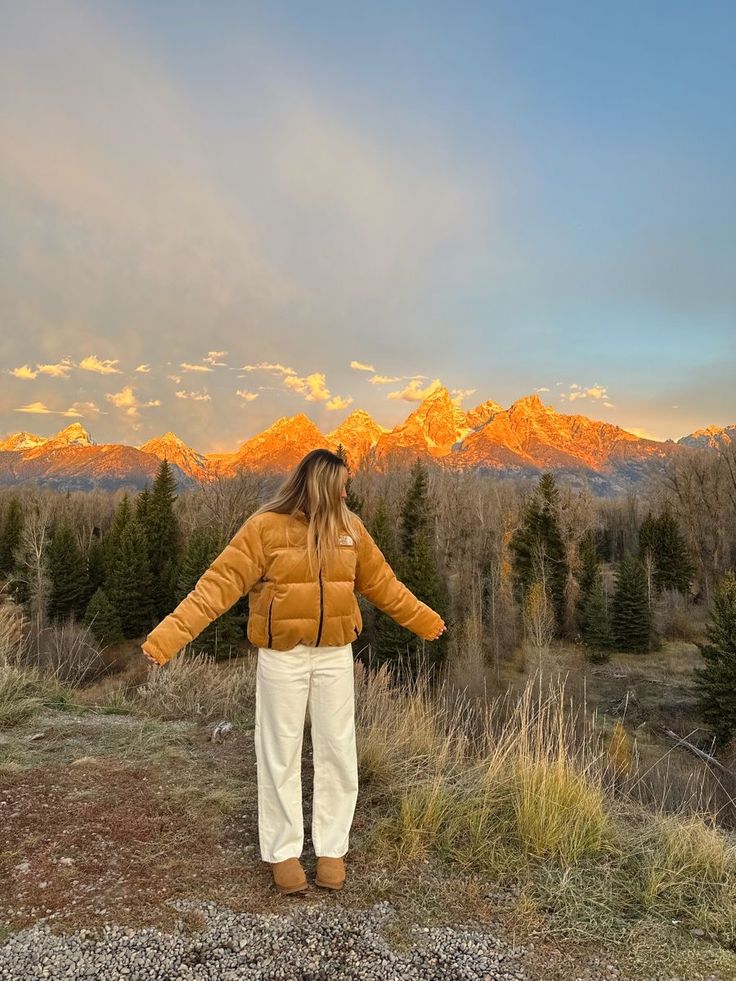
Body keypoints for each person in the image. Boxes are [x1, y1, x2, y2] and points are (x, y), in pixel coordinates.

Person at [141, 448, 446, 895]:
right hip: (282, 657)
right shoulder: (265, 528)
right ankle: (283, 852)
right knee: (279, 753)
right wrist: (165, 640)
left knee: (338, 752)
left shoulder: (351, 529)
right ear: (322, 484)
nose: (347, 490)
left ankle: (331, 849)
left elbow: (384, 585)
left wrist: (424, 619)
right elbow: (215, 588)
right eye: (342, 483)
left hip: (335, 657)